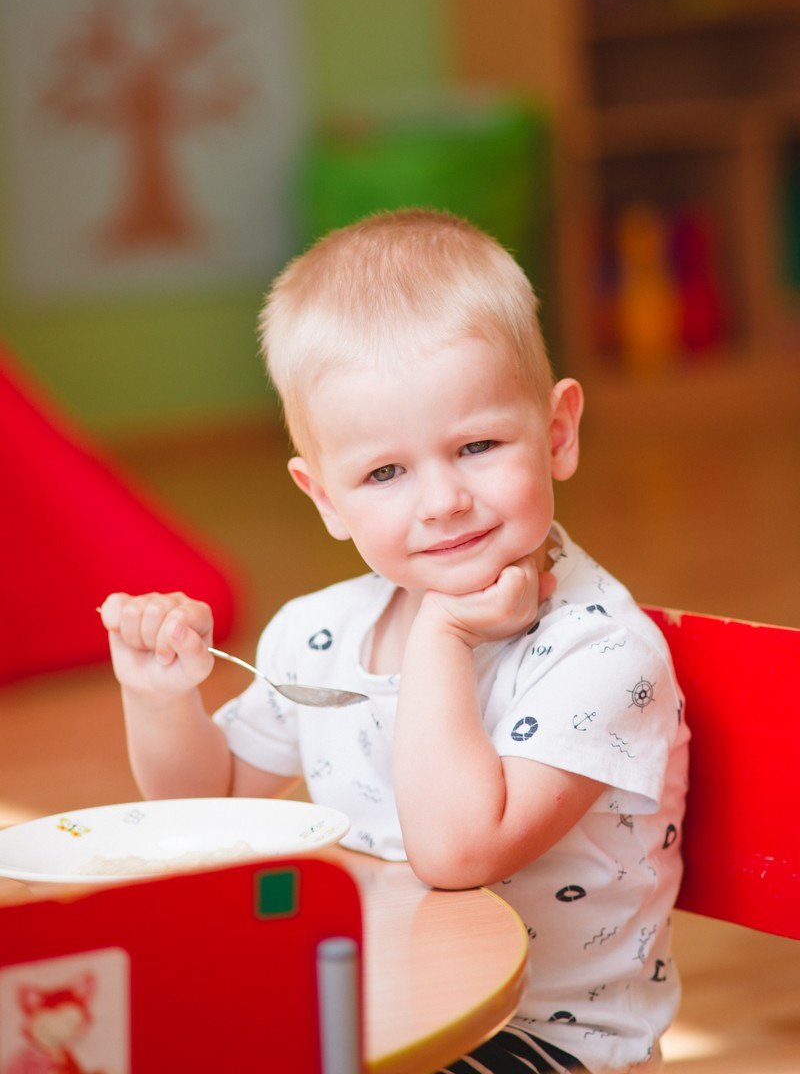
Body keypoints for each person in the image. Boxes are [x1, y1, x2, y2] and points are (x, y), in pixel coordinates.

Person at [101, 209, 689, 1074]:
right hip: (377, 1004)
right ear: (326, 497)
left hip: (543, 1039)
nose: (443, 499)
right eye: (384, 472)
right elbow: (215, 800)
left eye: (478, 445)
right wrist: (160, 697)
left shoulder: (603, 657)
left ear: (558, 433)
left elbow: (456, 854)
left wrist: (443, 638)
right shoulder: (320, 632)